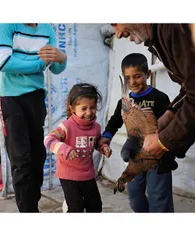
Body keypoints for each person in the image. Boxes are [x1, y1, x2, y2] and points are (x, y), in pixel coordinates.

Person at [0, 23, 67, 212]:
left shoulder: (47, 29)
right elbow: (4, 63)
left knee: (38, 156)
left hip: (36, 97)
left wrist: (62, 58)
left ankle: (31, 205)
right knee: (21, 159)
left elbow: (56, 69)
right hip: (11, 97)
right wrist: (39, 64)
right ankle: (28, 211)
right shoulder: (6, 25)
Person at [99, 53, 177, 212]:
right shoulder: (124, 101)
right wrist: (106, 137)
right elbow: (115, 120)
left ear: (148, 74)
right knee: (134, 194)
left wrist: (168, 151)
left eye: (137, 76)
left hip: (157, 157)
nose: (133, 82)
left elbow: (171, 125)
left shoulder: (160, 98)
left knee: (159, 197)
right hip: (135, 156)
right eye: (128, 78)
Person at [111, 24, 195, 161]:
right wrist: (171, 113)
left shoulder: (174, 27)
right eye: (127, 78)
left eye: (115, 23)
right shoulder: (162, 35)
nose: (118, 34)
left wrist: (163, 141)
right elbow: (189, 87)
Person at [44, 83, 111, 212]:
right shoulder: (66, 126)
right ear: (73, 108)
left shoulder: (96, 127)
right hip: (68, 175)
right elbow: (49, 139)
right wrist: (65, 149)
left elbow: (95, 142)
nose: (89, 112)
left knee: (96, 206)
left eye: (92, 107)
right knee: (76, 207)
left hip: (88, 174)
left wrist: (103, 147)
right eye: (83, 108)